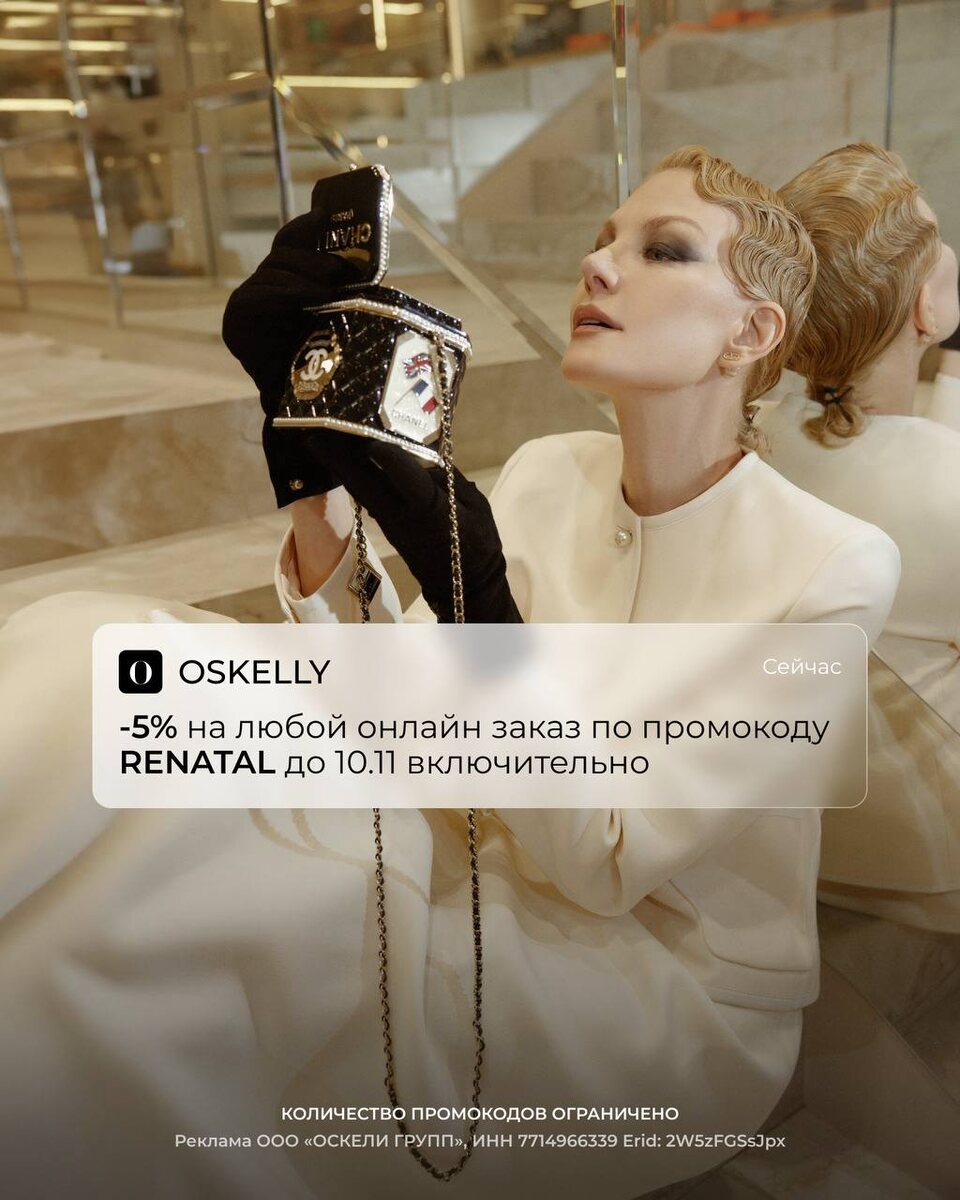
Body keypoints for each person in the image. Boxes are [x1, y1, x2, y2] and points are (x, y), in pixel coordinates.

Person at [218, 146, 901, 1197]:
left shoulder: (833, 567)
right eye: (602, 240)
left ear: (752, 332)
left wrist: (481, 607)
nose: (599, 266)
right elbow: (397, 723)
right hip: (473, 884)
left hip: (667, 995)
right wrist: (308, 458)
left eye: (663, 250)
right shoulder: (547, 471)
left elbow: (607, 864)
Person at [756, 142, 960, 931]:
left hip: (807, 834)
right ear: (924, 313)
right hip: (930, 855)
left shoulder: (755, 443)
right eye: (938, 239)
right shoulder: (944, 484)